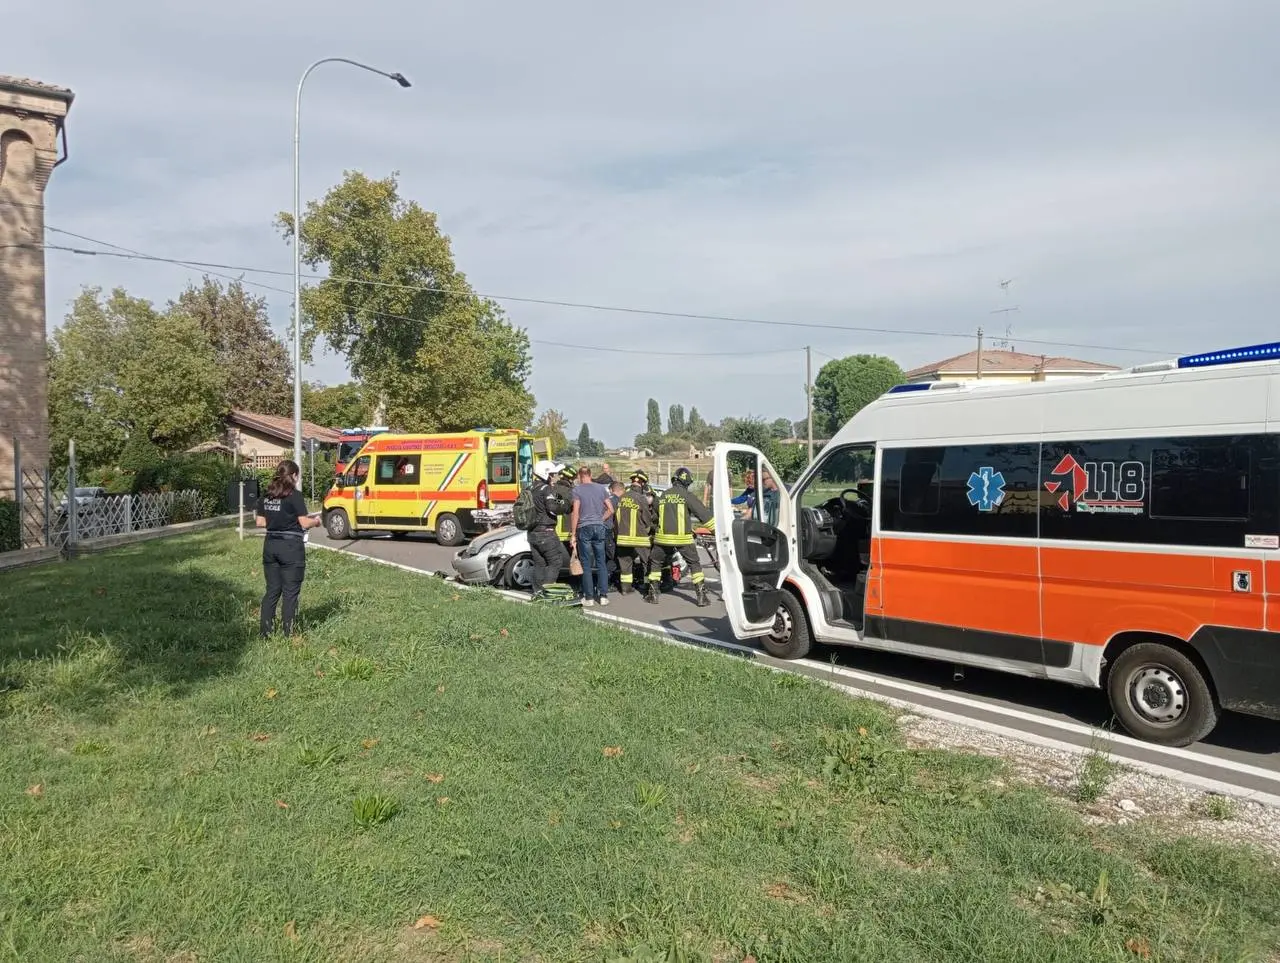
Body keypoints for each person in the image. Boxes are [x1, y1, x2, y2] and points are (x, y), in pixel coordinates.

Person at [255, 459, 321, 637]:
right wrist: (316, 522)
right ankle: (288, 633)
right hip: (290, 548)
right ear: (293, 475)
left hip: (270, 546)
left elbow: (260, 522)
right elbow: (304, 522)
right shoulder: (294, 495)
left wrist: (277, 519)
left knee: (272, 590)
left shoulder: (267, 494)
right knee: (290, 592)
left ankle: (265, 633)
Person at [647, 466, 712, 607]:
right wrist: (716, 531)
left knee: (656, 563)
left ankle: (653, 594)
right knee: (694, 564)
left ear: (674, 480)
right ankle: (701, 596)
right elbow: (704, 516)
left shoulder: (663, 496)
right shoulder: (687, 496)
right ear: (687, 482)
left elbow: (657, 518)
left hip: (662, 539)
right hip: (683, 539)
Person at [569, 465, 614, 606]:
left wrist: (573, 534)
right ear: (590, 474)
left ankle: (589, 597)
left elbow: (575, 512)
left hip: (584, 528)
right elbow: (611, 509)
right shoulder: (601, 488)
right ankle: (603, 596)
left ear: (579, 476)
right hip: (599, 527)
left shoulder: (577, 490)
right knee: (601, 562)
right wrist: (601, 519)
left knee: (586, 564)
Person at [528, 459, 571, 601]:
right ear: (546, 474)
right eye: (554, 474)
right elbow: (553, 507)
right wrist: (564, 506)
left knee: (539, 563)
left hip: (532, 532)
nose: (556, 476)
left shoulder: (530, 489)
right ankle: (547, 594)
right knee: (555, 562)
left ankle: (537, 593)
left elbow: (553, 499)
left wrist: (559, 497)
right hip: (546, 532)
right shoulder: (546, 489)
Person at [613, 471, 653, 594]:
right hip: (639, 538)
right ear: (642, 484)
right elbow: (647, 520)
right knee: (647, 562)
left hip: (622, 538)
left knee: (625, 564)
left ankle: (626, 589)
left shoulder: (622, 498)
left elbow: (616, 519)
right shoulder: (641, 498)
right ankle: (646, 587)